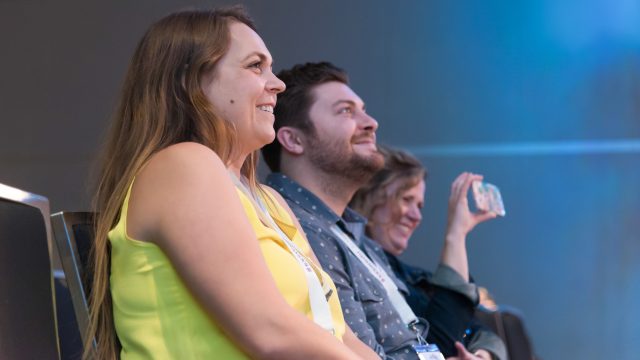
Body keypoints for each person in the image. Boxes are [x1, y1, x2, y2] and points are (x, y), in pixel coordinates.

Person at [88, 8, 377, 359]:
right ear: (191, 81)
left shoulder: (268, 199)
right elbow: (268, 331)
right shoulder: (183, 165)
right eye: (255, 66)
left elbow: (336, 332)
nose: (277, 84)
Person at [261, 61, 496, 359]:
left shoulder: (357, 238)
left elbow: (447, 334)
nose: (371, 122)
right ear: (294, 139)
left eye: (362, 109)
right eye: (346, 110)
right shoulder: (295, 227)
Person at [350, 146, 507, 359]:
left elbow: (480, 331)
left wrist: (481, 356)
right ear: (369, 197)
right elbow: (438, 342)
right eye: (406, 200)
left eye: (420, 206)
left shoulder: (416, 278)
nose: (416, 216)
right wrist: (456, 234)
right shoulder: (351, 268)